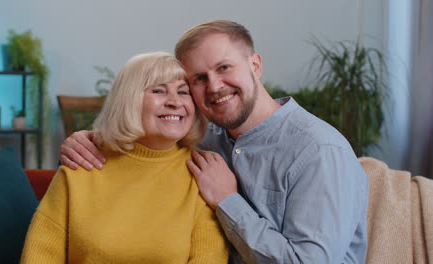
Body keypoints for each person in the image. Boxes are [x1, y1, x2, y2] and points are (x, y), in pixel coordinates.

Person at [60, 20, 368, 263]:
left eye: (224, 67)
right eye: (198, 79)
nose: (215, 86)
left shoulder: (319, 151)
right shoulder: (206, 142)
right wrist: (89, 140)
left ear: (255, 65)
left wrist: (227, 200)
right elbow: (143, 143)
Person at [21, 52, 229, 263]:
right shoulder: (82, 163)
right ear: (129, 100)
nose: (175, 102)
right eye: (158, 90)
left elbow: (210, 256)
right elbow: (41, 254)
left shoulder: (203, 173)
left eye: (184, 92)